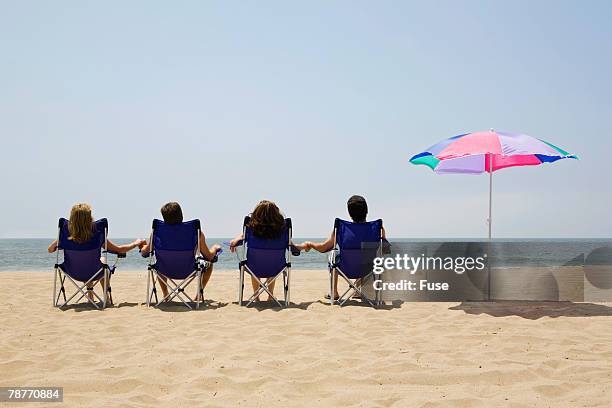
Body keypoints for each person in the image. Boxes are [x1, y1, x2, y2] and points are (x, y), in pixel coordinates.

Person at [48, 203, 145, 300]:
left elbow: (50, 250)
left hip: (72, 272)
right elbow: (119, 249)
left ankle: (90, 295)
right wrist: (136, 243)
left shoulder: (65, 236)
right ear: (89, 218)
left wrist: (60, 243)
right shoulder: (97, 235)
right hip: (94, 272)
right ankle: (106, 297)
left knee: (84, 262)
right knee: (101, 261)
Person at [301, 195, 386, 300]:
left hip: (345, 268)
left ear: (349, 213)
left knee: (333, 256)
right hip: (368, 269)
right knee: (369, 257)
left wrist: (310, 244)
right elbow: (386, 249)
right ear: (366, 210)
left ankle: (334, 292)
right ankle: (356, 288)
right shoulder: (377, 227)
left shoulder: (342, 227)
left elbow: (324, 248)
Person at [139, 202, 221, 301]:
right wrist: (215, 248)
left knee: (159, 264)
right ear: (181, 215)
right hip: (189, 270)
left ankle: (166, 294)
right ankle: (198, 294)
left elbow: (145, 253)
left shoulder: (157, 232)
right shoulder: (195, 232)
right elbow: (209, 257)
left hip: (164, 270)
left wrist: (140, 245)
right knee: (209, 265)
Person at [230, 200, 303, 302]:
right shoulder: (282, 229)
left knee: (254, 267)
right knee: (272, 263)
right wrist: (299, 249)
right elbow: (290, 245)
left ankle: (256, 296)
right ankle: (270, 296)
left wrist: (235, 241)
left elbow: (243, 238)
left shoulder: (251, 228)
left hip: (254, 268)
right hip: (276, 267)